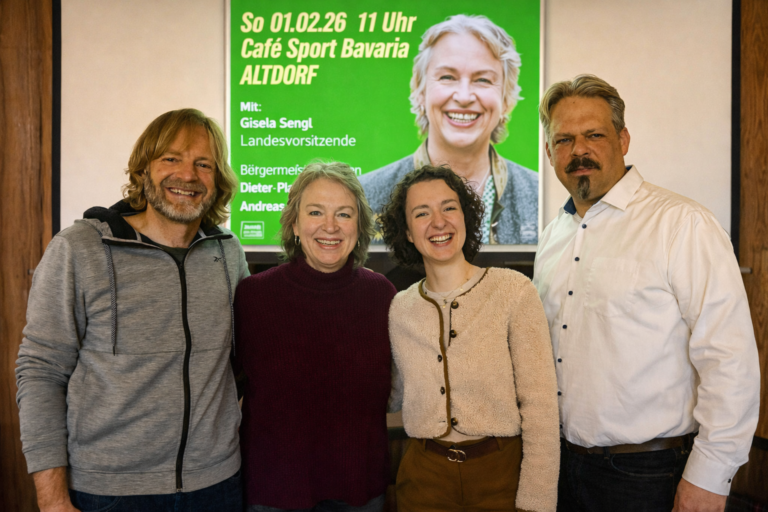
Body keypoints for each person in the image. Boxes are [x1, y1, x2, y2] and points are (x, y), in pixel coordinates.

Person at [533, 75, 761, 512]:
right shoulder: (552, 238)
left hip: (649, 477)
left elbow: (729, 360)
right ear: (548, 152)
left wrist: (710, 478)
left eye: (594, 135)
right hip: (561, 470)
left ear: (623, 139)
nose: (579, 150)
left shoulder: (682, 224)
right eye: (564, 139)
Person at [16, 109, 249, 512]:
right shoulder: (80, 249)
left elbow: (246, 360)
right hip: (109, 493)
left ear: (218, 179)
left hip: (216, 486)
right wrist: (52, 499)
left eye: (203, 164)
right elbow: (40, 372)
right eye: (171, 159)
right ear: (144, 170)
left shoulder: (227, 253)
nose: (188, 175)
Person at [380, 165, 560, 512]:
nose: (439, 222)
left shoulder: (513, 291)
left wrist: (537, 500)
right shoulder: (399, 308)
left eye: (449, 207)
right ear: (406, 232)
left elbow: (541, 407)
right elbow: (392, 396)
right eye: (422, 213)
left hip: (500, 477)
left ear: (466, 215)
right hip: (423, 480)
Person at [233, 162, 397, 512]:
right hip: (274, 493)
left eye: (344, 214)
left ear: (360, 225)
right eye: (315, 212)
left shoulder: (383, 297)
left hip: (361, 493)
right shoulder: (252, 297)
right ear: (294, 223)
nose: (330, 226)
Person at [360, 14, 538, 245]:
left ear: (506, 99)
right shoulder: (363, 198)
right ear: (420, 92)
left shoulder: (542, 198)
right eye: (447, 77)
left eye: (483, 80)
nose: (464, 97)